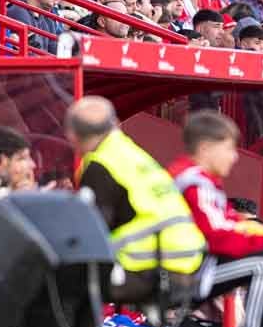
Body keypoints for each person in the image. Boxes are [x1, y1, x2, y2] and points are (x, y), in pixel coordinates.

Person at [168, 110, 263, 327]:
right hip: (182, 277)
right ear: (205, 148)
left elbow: (236, 225)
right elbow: (220, 235)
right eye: (229, 148)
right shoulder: (191, 181)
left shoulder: (201, 181)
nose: (234, 156)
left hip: (190, 270)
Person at [65, 95, 206, 301]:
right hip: (184, 265)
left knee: (63, 283)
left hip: (145, 269)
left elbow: (92, 231)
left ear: (73, 136)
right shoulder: (131, 153)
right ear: (114, 124)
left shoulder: (101, 164)